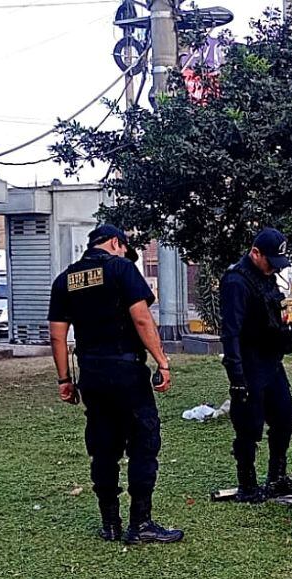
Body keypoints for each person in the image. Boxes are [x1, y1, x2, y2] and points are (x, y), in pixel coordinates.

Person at [47, 224, 182, 544]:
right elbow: (141, 318)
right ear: (114, 243)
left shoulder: (65, 279)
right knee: (143, 444)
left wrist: (65, 379)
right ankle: (141, 524)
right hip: (126, 372)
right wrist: (162, 362)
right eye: (123, 248)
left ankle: (109, 523)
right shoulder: (122, 269)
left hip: (92, 375)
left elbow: (56, 334)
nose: (124, 254)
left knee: (103, 448)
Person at [220, 228, 292, 504]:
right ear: (255, 253)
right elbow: (229, 333)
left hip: (272, 362)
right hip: (249, 364)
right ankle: (247, 484)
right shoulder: (236, 282)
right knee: (248, 427)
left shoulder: (267, 278)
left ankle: (276, 478)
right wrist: (236, 376)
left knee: (286, 418)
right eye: (270, 262)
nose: (273, 269)